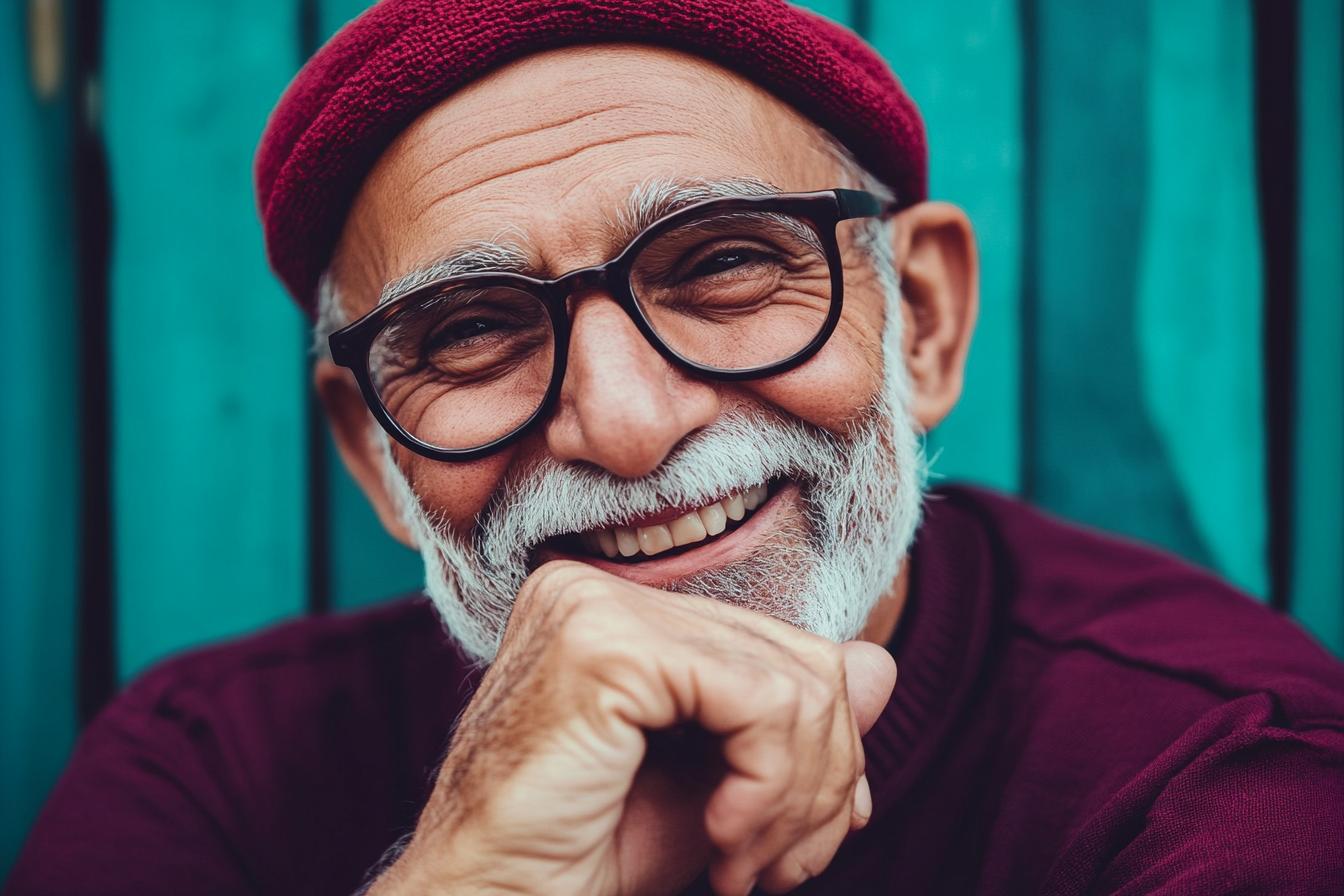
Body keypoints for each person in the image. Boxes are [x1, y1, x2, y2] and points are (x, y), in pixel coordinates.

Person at [9, 1, 1344, 894]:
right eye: (470, 332)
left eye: (723, 267)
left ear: (921, 324)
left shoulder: (1215, 775)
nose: (631, 428)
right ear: (375, 459)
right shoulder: (207, 774)